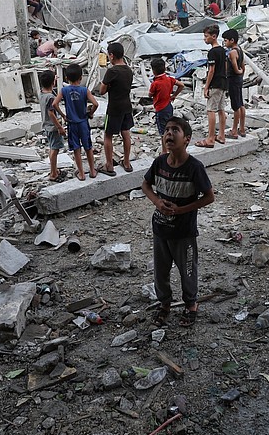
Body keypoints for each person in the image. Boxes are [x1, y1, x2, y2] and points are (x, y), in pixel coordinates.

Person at [141, 116, 215, 328]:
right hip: (160, 228)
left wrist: (181, 210)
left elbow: (209, 197)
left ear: (187, 139)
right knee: (161, 270)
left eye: (175, 130)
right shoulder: (160, 163)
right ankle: (164, 304)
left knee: (187, 270)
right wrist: (157, 202)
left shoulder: (194, 167)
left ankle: (191, 304)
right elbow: (146, 185)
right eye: (166, 130)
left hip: (184, 232)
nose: (169, 134)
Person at [54, 63, 98, 181]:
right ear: (81, 77)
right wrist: (90, 113)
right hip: (83, 122)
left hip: (72, 123)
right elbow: (95, 104)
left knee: (76, 149)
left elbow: (54, 104)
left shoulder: (64, 90)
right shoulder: (85, 90)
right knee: (88, 147)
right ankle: (93, 171)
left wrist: (63, 115)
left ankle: (82, 173)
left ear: (67, 78)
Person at [97, 42, 135, 175]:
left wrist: (105, 83)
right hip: (127, 106)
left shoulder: (111, 71)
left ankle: (109, 165)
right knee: (126, 133)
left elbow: (102, 91)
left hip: (114, 108)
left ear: (112, 55)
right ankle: (127, 162)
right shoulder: (128, 70)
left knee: (108, 135)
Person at [195, 25, 227, 147]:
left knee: (211, 110)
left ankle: (210, 139)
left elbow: (211, 70)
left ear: (214, 37)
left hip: (215, 84)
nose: (205, 39)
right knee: (221, 109)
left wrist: (206, 86)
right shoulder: (223, 50)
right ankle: (222, 136)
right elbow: (225, 67)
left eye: (206, 36)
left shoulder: (212, 52)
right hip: (223, 83)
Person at [39, 70, 66, 182]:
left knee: (52, 148)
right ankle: (53, 174)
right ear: (52, 83)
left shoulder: (42, 94)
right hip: (53, 127)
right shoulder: (50, 97)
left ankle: (54, 170)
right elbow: (51, 112)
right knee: (55, 150)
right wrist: (59, 127)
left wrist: (63, 115)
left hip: (46, 125)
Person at [149, 57, 183, 135]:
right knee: (169, 128)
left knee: (163, 133)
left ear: (153, 71)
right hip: (168, 106)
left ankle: (165, 146)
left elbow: (150, 95)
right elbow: (181, 85)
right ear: (165, 68)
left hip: (160, 109)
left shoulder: (155, 84)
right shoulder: (170, 79)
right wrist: (174, 95)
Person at [222, 29, 246, 139]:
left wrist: (238, 72)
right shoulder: (240, 49)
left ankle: (234, 131)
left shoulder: (232, 52)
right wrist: (241, 73)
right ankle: (242, 128)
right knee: (241, 104)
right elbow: (243, 65)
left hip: (233, 80)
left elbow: (236, 68)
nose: (225, 43)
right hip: (239, 80)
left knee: (235, 106)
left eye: (226, 40)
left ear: (232, 40)